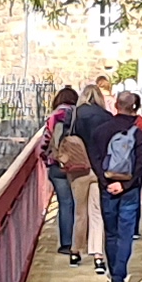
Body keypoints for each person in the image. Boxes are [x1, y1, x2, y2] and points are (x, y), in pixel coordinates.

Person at [97, 86, 142, 282]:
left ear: (116, 106)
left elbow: (95, 160)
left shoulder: (101, 130)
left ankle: (113, 272)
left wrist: (106, 182)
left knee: (110, 231)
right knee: (126, 232)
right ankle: (119, 278)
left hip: (106, 187)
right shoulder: (138, 132)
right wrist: (126, 184)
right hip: (130, 189)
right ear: (134, 107)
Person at [63, 77, 117, 264]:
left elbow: (64, 137)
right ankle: (98, 255)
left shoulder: (75, 114)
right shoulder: (107, 117)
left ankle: (76, 251)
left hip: (78, 168)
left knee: (79, 211)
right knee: (97, 211)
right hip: (100, 169)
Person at [42, 84, 88, 260]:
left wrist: (46, 158)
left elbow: (45, 140)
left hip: (58, 165)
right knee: (79, 204)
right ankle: (81, 243)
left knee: (65, 204)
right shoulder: (80, 115)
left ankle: (66, 244)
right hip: (78, 165)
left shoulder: (54, 116)